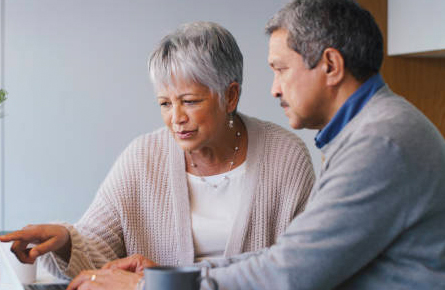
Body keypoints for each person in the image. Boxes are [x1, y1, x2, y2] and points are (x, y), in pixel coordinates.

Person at [69, 0, 445, 289]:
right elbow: (289, 258)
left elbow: (292, 272)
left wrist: (148, 285)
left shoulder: (379, 142)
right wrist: (169, 277)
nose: (274, 88)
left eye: (281, 69)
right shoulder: (374, 130)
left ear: (330, 65)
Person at [0, 21, 315, 285]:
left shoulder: (286, 157)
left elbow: (301, 269)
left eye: (190, 101)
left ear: (230, 96)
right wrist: (66, 241)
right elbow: (98, 244)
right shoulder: (142, 157)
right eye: (165, 103)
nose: (176, 118)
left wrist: (162, 284)